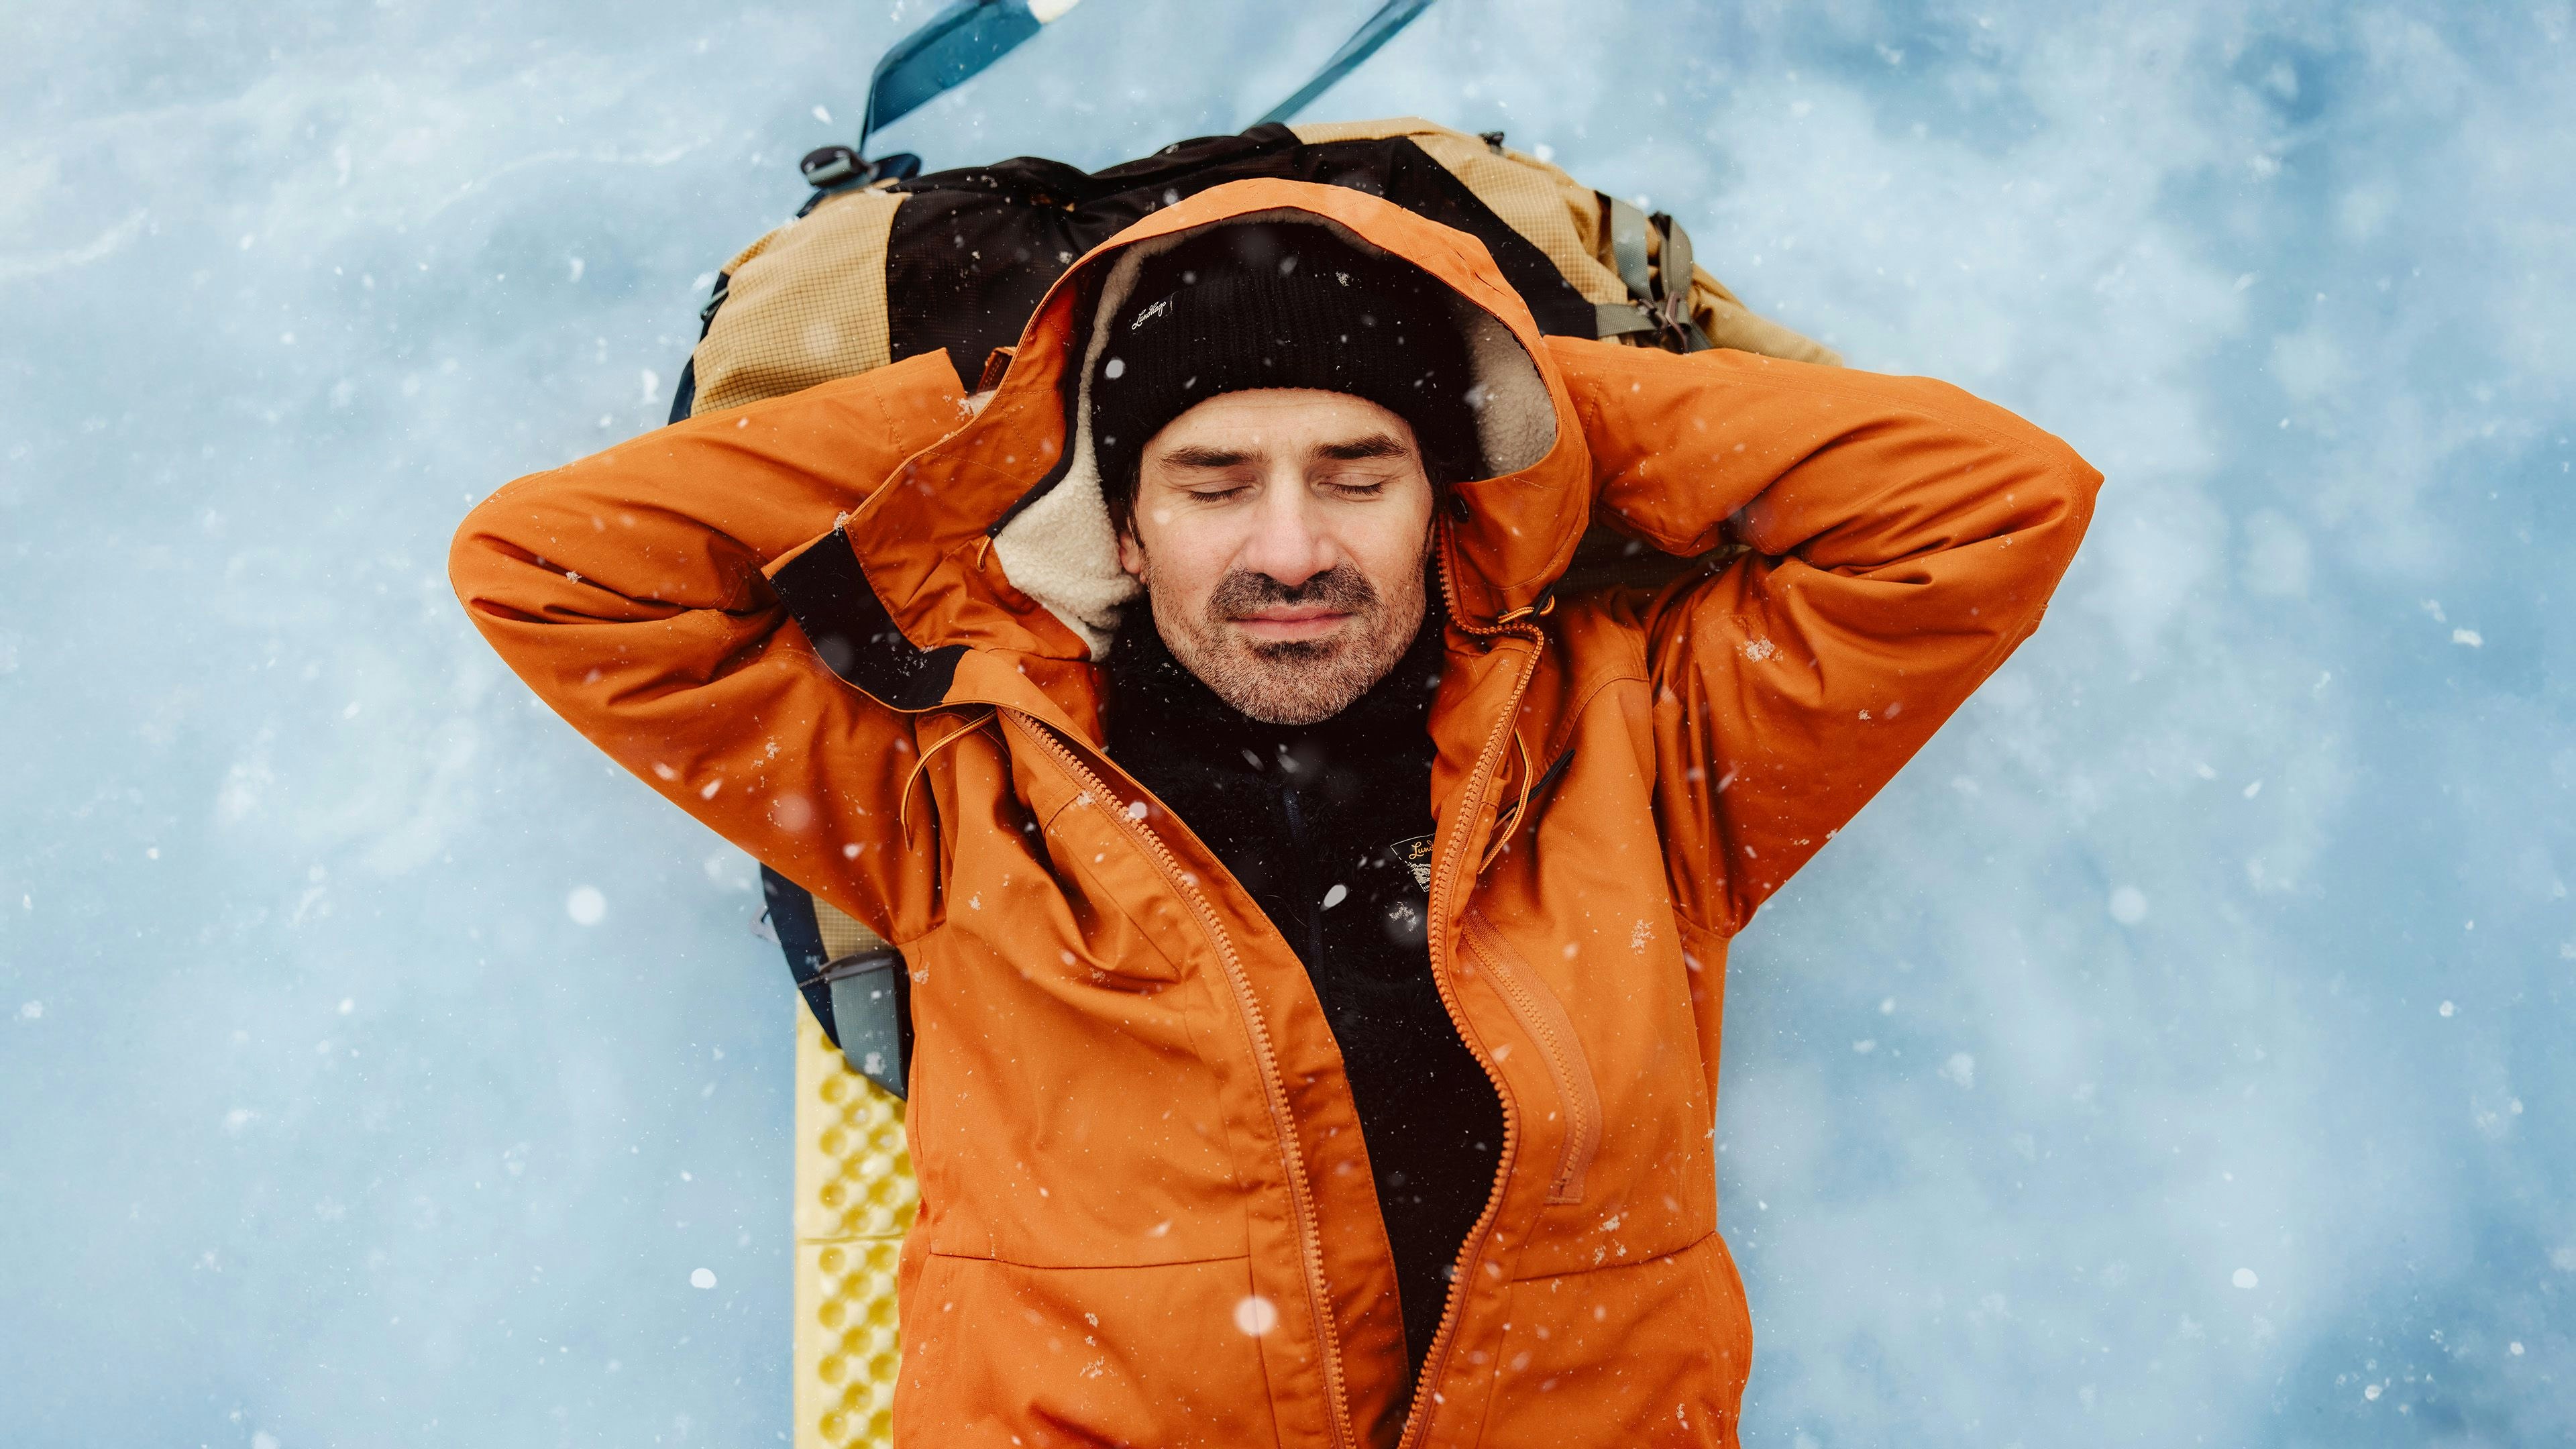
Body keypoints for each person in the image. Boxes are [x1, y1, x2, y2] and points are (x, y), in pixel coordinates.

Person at [451, 180, 2098, 1448]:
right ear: (1124, 524)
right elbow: (548, 567)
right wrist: (1010, 411)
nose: (1293, 546)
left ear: (1446, 498)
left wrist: (1529, 407)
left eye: (1359, 471)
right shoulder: (950, 787)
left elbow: (1989, 503)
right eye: (1214, 482)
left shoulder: (1650, 748)